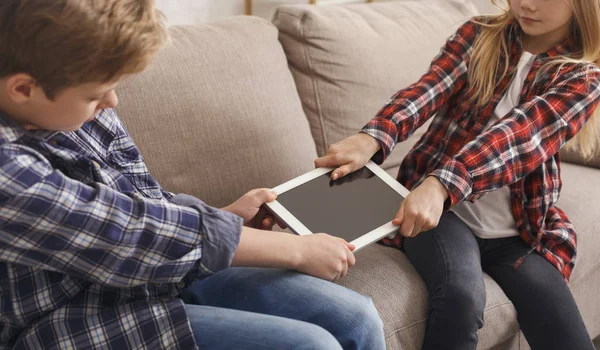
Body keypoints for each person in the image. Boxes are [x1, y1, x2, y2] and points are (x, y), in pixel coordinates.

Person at [0, 1, 385, 349]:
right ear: (22, 89)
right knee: (311, 346)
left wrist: (226, 217)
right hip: (76, 318)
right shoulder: (9, 173)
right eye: (96, 94)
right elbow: (127, 230)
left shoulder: (83, 110)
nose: (112, 102)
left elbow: (145, 199)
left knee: (357, 317)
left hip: (161, 273)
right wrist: (297, 249)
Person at [315, 0, 600, 349]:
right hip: (441, 216)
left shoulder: (583, 78)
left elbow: (520, 137)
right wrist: (374, 135)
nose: (526, 3)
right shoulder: (478, 35)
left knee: (565, 332)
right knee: (460, 296)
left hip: (518, 229)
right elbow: (427, 90)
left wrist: (443, 183)